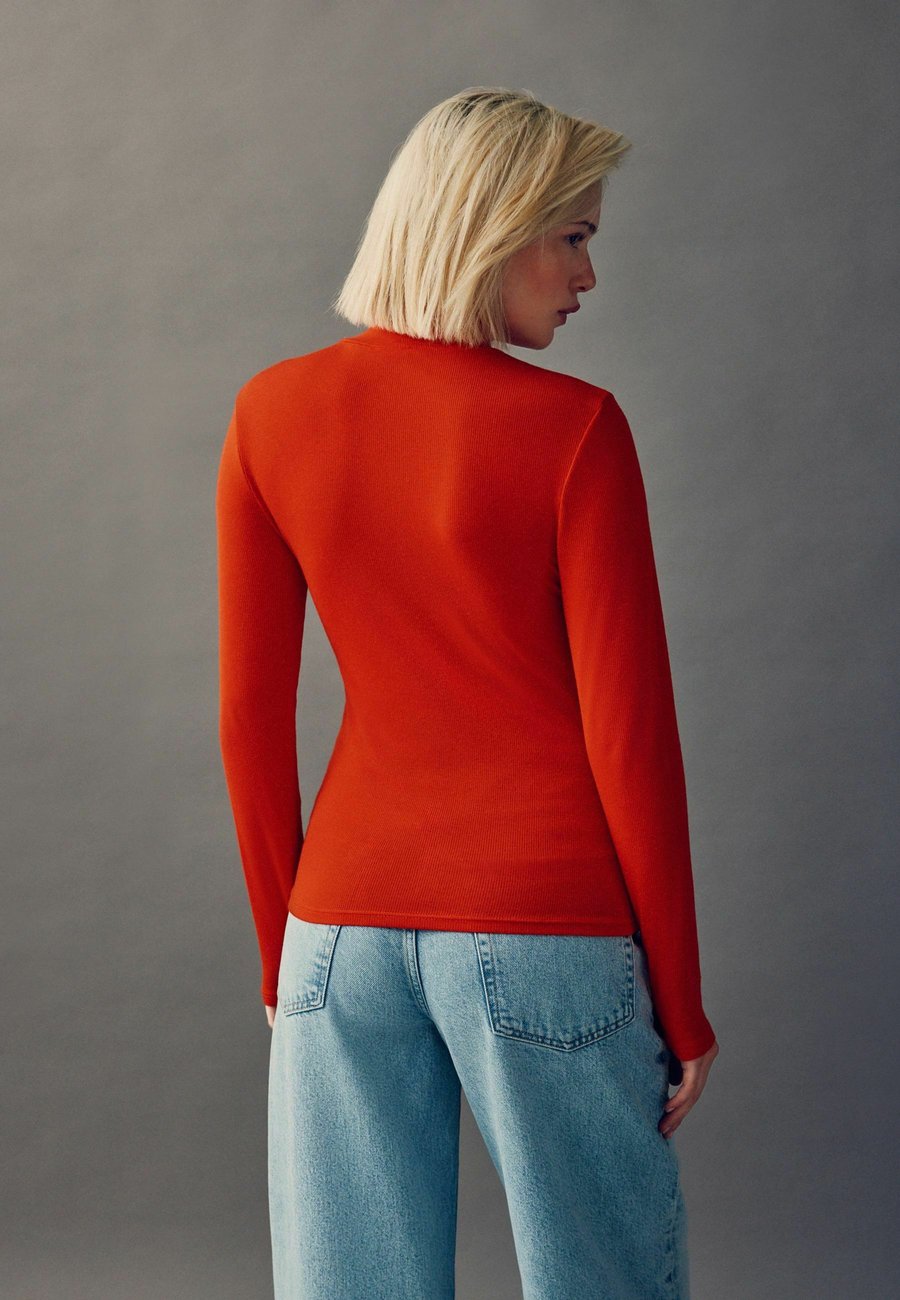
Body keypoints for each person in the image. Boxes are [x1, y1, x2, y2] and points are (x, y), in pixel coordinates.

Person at [216, 85, 719, 1300]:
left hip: (337, 927)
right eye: (574, 237)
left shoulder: (269, 412)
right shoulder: (576, 430)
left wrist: (283, 955)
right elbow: (631, 736)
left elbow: (248, 717)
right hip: (543, 918)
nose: (589, 276)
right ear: (491, 226)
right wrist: (683, 1006)